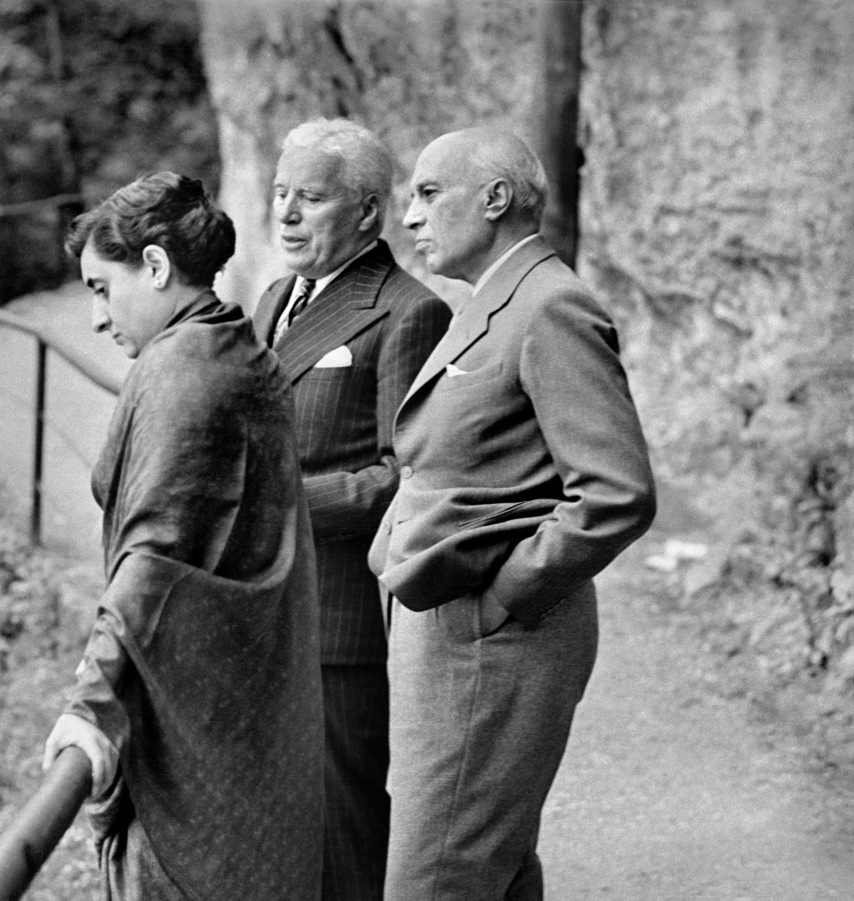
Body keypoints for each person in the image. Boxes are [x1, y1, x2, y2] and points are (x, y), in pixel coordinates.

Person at [368, 127, 657, 900]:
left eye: (430, 193)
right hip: (454, 636)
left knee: (435, 878)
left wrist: (505, 595)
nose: (410, 215)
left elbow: (615, 492)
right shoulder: (493, 300)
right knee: (489, 869)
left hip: (491, 643)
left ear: (495, 198)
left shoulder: (551, 305)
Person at [43, 171, 324, 901]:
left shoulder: (183, 373)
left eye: (102, 289)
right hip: (245, 698)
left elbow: (153, 557)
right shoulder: (235, 345)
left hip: (194, 720)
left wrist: (92, 701)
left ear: (156, 266)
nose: (96, 318)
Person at [252, 118, 451, 901]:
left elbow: (408, 477)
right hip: (264, 610)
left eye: (310, 197)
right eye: (280, 193)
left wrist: (272, 507)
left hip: (340, 624)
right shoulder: (274, 298)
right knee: (279, 829)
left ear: (368, 211)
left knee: (347, 833)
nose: (286, 213)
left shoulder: (409, 312)